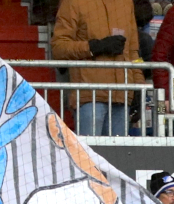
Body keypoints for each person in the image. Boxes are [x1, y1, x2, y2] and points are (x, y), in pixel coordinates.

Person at [53, 0, 142, 136]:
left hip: (122, 97)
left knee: (116, 156)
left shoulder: (126, 3)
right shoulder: (73, 2)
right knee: (89, 154)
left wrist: (138, 88)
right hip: (90, 96)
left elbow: (133, 52)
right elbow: (59, 48)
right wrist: (94, 47)